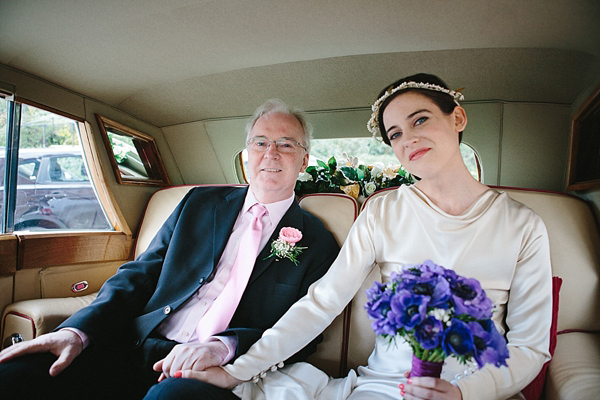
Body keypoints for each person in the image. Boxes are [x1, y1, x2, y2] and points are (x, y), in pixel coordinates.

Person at [186, 74, 553, 400]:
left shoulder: (523, 225)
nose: (408, 140)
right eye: (395, 134)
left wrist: (463, 392)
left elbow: (530, 346)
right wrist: (239, 370)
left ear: (457, 118)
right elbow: (322, 303)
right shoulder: (383, 212)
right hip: (387, 387)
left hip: (478, 389)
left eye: (420, 120)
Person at [0, 99, 340, 400]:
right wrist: (77, 331)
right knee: (17, 374)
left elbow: (305, 331)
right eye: (260, 142)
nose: (271, 153)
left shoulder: (318, 241)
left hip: (211, 370)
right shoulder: (198, 203)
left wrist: (224, 348)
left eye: (285, 144)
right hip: (134, 343)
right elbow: (140, 273)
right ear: (246, 153)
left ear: (305, 159)